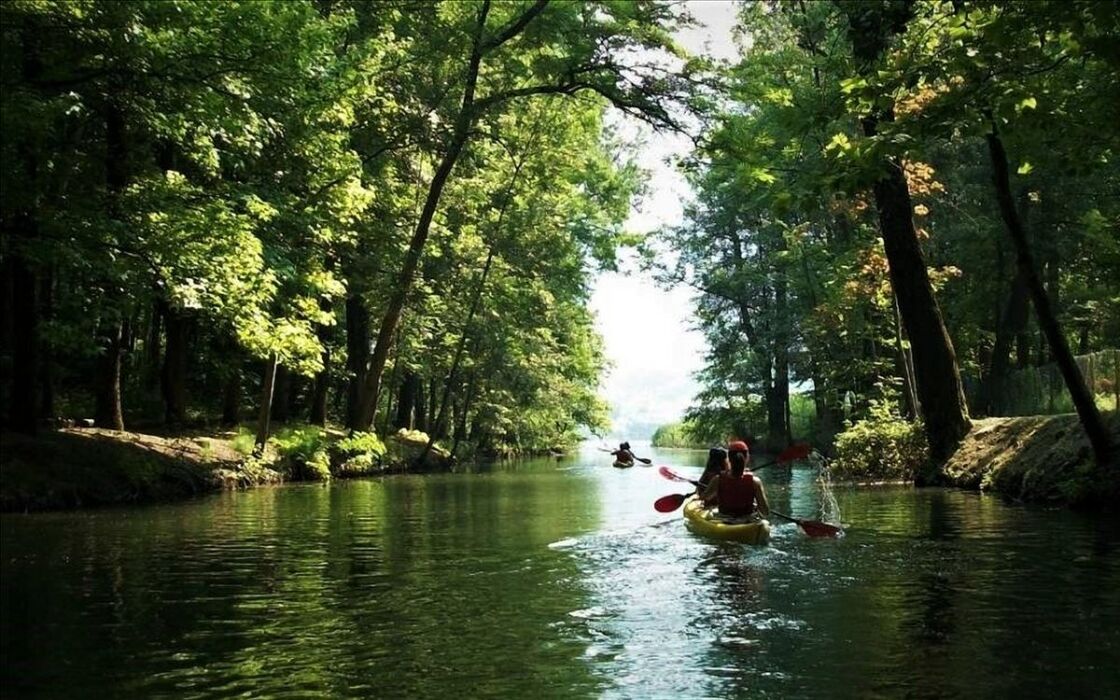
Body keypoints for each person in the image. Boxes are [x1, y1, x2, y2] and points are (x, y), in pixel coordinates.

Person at [701, 440, 769, 520]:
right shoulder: (755, 481)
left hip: (724, 519)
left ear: (729, 459)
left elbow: (705, 498)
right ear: (747, 458)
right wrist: (755, 505)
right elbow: (765, 512)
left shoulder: (718, 479)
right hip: (747, 520)